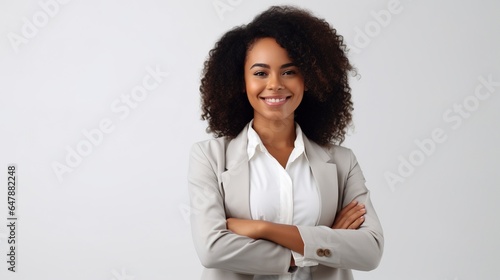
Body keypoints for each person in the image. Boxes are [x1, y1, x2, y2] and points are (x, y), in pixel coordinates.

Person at [188, 5, 383, 280]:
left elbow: (370, 251)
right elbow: (212, 250)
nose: (275, 84)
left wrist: (261, 229)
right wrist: (325, 243)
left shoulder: (341, 162)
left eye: (289, 71)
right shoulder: (209, 157)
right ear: (241, 82)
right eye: (260, 73)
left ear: (309, 79)